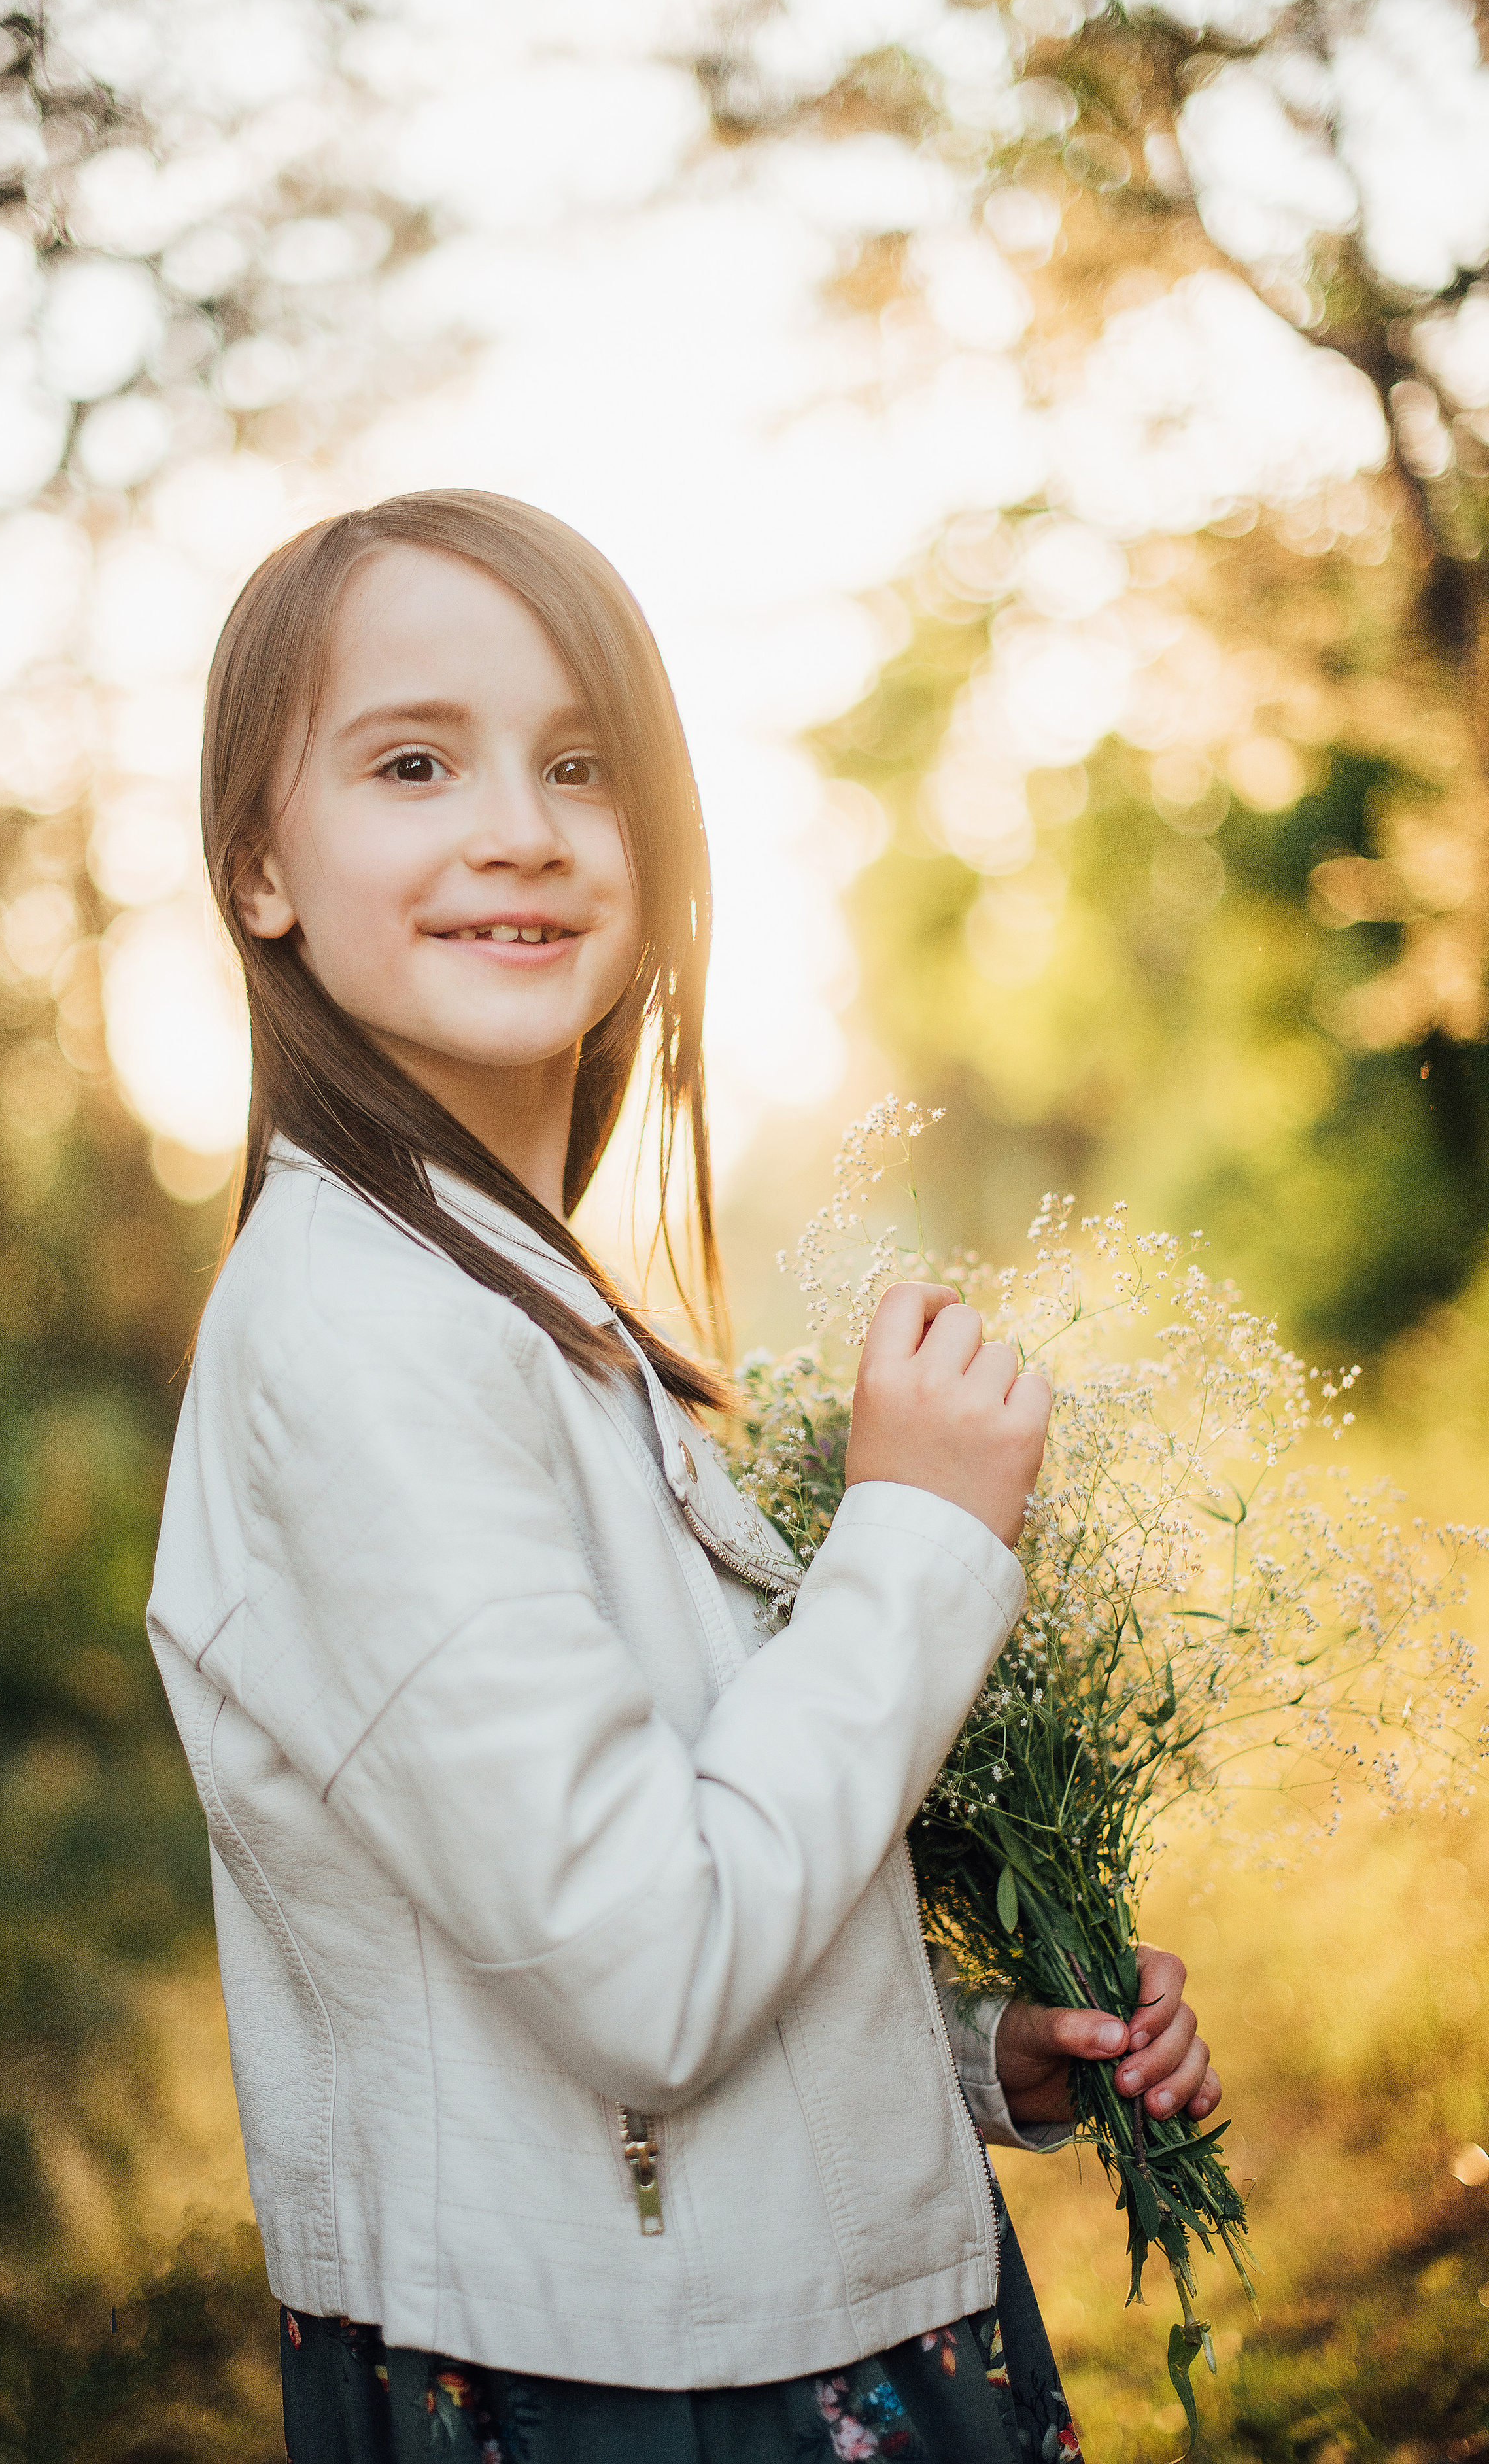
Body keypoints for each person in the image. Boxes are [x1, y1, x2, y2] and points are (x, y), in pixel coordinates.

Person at [148, 491, 1220, 2464]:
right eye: (413, 761)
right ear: (260, 866)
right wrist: (915, 1535)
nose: (522, 825)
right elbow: (646, 1970)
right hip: (641, 2394)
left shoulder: (508, 1294)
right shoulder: (359, 1332)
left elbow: (649, 1876)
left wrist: (982, 2054)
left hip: (749, 2322)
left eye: (583, 763)